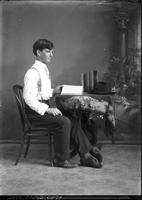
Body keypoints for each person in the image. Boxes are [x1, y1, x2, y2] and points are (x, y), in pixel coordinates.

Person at [23, 38, 77, 168]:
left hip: (41, 107)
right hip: (34, 113)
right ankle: (60, 159)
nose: (51, 55)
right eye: (48, 51)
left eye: (52, 52)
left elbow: (43, 92)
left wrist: (54, 91)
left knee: (73, 115)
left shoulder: (43, 69)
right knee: (64, 122)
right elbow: (29, 98)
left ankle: (85, 151)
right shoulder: (32, 72)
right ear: (38, 52)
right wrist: (47, 109)